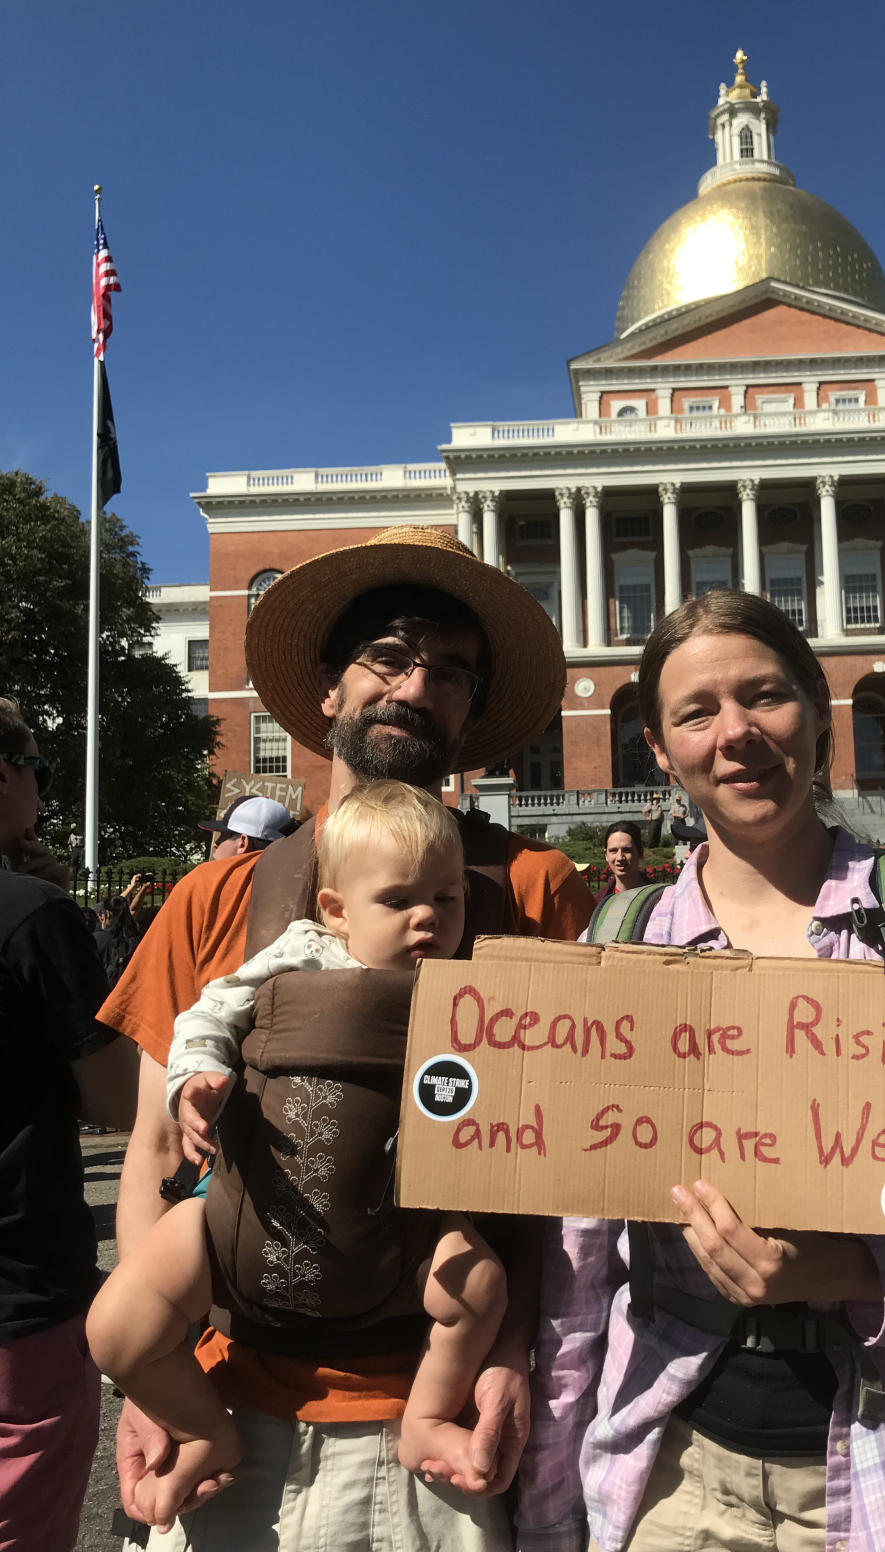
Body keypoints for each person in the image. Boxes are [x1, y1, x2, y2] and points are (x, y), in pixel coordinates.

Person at [517, 590, 885, 1552]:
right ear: (659, 752)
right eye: (697, 712)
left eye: (765, 696)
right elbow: (578, 1265)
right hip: (674, 1476)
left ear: (819, 711)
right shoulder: (622, 942)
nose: (737, 733)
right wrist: (549, 1511)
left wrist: (855, 1273)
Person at [99, 526, 596, 1550]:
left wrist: (508, 1354)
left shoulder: (536, 888)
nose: (417, 688)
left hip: (435, 1422)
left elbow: (566, 1181)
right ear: (328, 687)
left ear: (471, 709)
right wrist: (156, 1381)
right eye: (389, 655)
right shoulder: (216, 895)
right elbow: (153, 1153)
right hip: (229, 1411)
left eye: (452, 671)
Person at [88, 782, 506, 1530]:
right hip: (243, 1209)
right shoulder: (299, 954)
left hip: (398, 1226)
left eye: (447, 900)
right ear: (338, 911)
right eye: (400, 901)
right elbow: (208, 1013)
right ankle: (200, 1427)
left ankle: (429, 1415)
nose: (428, 919)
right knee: (117, 1326)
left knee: (478, 1289)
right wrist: (194, 1083)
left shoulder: (471, 983)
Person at [0, 696, 138, 1552]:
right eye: (39, 771)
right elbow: (115, 1100)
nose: (45, 797)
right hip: (19, 1290)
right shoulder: (33, 917)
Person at [199, 793, 297, 859]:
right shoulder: (299, 884)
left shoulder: (206, 883)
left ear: (242, 843)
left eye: (222, 836)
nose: (215, 844)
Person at [593, 820, 652, 906]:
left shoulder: (660, 898)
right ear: (606, 855)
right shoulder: (597, 902)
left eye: (626, 850)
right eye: (613, 851)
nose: (620, 857)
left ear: (640, 853)